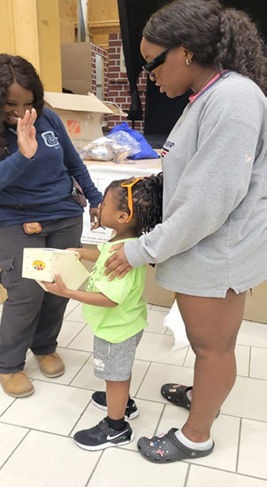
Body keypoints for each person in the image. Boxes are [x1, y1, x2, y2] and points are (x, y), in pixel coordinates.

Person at [102, 0, 267, 463]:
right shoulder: (212, 94)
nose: (148, 74)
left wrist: (141, 248)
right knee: (210, 344)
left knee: (213, 348)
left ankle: (197, 436)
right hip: (209, 246)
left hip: (219, 251)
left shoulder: (232, 99)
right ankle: (203, 395)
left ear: (187, 52)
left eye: (152, 62)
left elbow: (206, 203)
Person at [0, 54, 102, 398]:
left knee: (60, 286)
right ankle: (8, 364)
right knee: (26, 291)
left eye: (29, 103)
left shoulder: (49, 119)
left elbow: (73, 162)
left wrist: (95, 197)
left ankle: (44, 346)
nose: (21, 113)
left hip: (63, 214)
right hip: (14, 219)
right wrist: (21, 156)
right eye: (10, 105)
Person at [42, 173, 163, 451]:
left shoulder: (126, 252)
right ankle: (125, 403)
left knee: (115, 376)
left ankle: (116, 427)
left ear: (122, 216)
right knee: (118, 374)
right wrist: (84, 253)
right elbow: (106, 254)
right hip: (126, 325)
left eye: (104, 204)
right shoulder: (125, 244)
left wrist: (68, 293)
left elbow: (109, 299)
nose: (98, 208)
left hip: (115, 331)